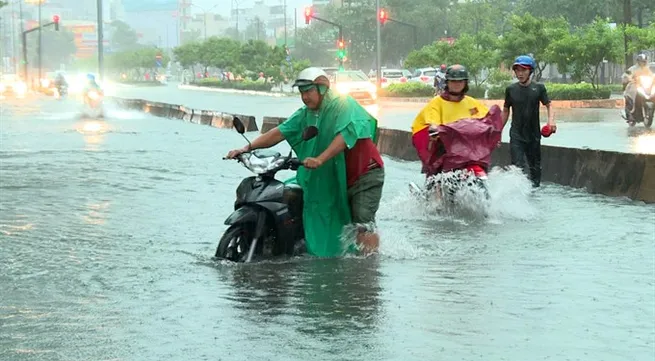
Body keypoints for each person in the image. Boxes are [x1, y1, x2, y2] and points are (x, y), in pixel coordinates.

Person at [225, 67, 385, 257]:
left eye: (308, 91)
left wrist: (320, 159)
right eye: (301, 92)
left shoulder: (343, 105)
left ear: (323, 89)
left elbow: (344, 136)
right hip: (333, 177)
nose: (305, 97)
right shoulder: (307, 114)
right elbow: (280, 132)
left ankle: (367, 271)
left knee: (361, 223)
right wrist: (246, 148)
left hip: (363, 173)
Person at [412, 64, 489, 175]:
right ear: (447, 82)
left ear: (465, 83)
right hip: (444, 148)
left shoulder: (472, 103)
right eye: (453, 81)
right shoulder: (437, 102)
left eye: (460, 81)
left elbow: (485, 118)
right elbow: (432, 120)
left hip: (468, 149)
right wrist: (434, 129)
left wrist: (492, 132)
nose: (457, 84)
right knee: (436, 173)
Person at [501, 55, 556, 188]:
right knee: (517, 167)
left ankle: (535, 194)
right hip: (516, 135)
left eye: (523, 70)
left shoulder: (539, 88)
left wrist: (551, 122)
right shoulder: (511, 90)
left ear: (530, 71)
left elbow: (549, 105)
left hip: (533, 135)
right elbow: (506, 110)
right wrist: (498, 131)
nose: (520, 73)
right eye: (517, 70)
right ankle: (517, 195)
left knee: (535, 168)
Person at [622, 53, 653, 123]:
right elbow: (626, 75)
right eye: (641, 61)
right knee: (633, 93)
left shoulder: (648, 69)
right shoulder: (633, 68)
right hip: (634, 86)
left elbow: (652, 76)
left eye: (644, 61)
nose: (643, 62)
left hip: (645, 87)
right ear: (638, 61)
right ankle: (630, 113)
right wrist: (628, 78)